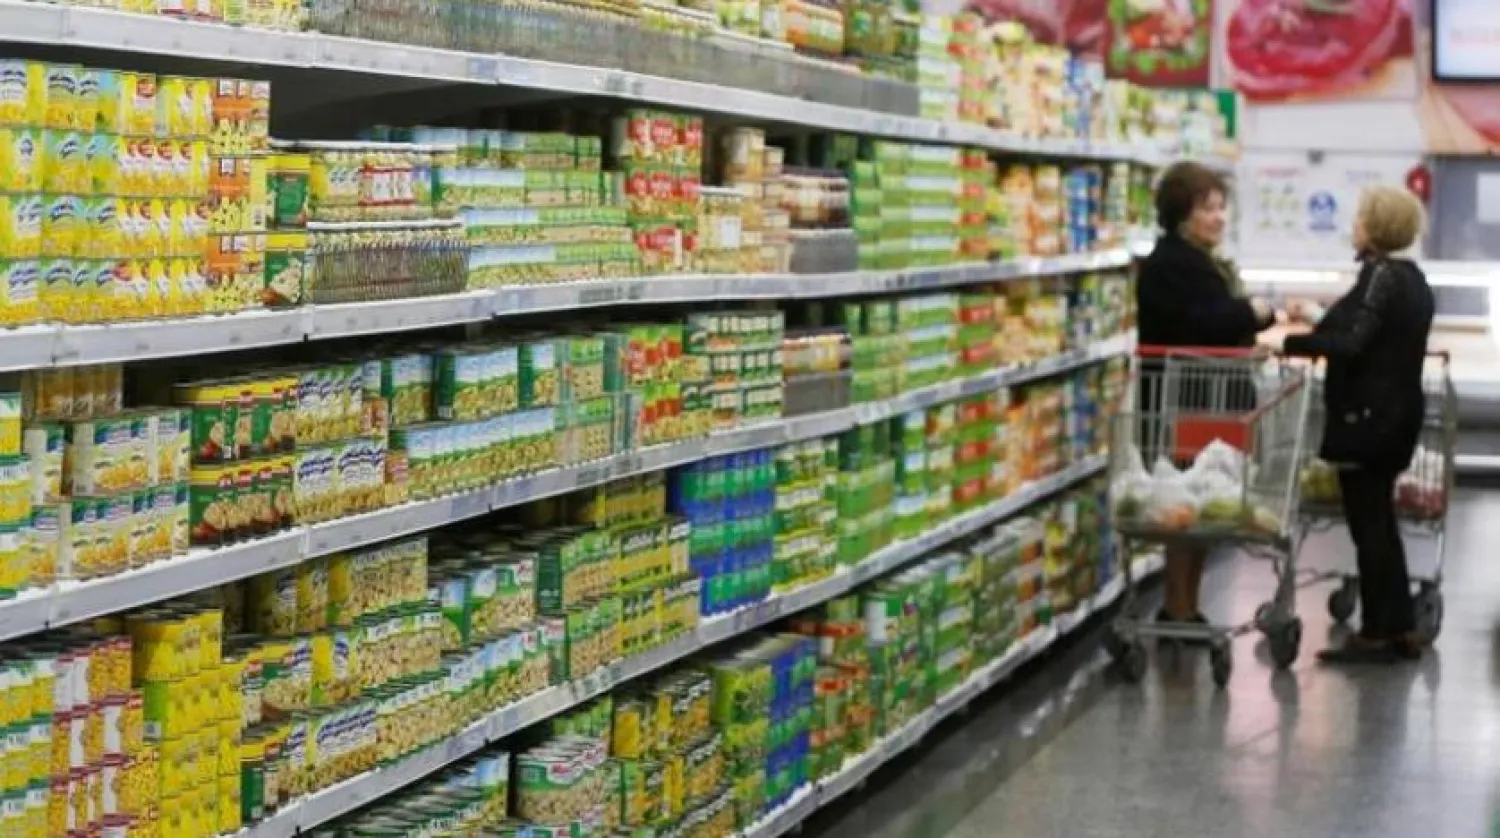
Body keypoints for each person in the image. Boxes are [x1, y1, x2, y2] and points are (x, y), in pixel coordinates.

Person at [1278, 186, 1434, 664]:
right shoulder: (1411, 278)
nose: (1354, 224)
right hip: (1398, 415)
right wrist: (1320, 322)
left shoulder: (1378, 275)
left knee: (1368, 525)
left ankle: (1376, 632)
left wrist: (1290, 344)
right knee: (1380, 523)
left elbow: (1354, 343)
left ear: (1374, 226)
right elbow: (1370, 332)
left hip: (1366, 419)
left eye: (1361, 216)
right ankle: (1401, 625)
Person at [1136, 161, 1277, 630]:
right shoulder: (1173, 264)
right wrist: (1252, 312)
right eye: (1207, 209)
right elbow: (1203, 323)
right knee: (1184, 507)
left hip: (1205, 401)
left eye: (1221, 208)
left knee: (1197, 509)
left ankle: (1186, 607)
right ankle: (1178, 608)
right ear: (1181, 215)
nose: (1218, 217)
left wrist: (1246, 335)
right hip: (1185, 404)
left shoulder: (1199, 261)